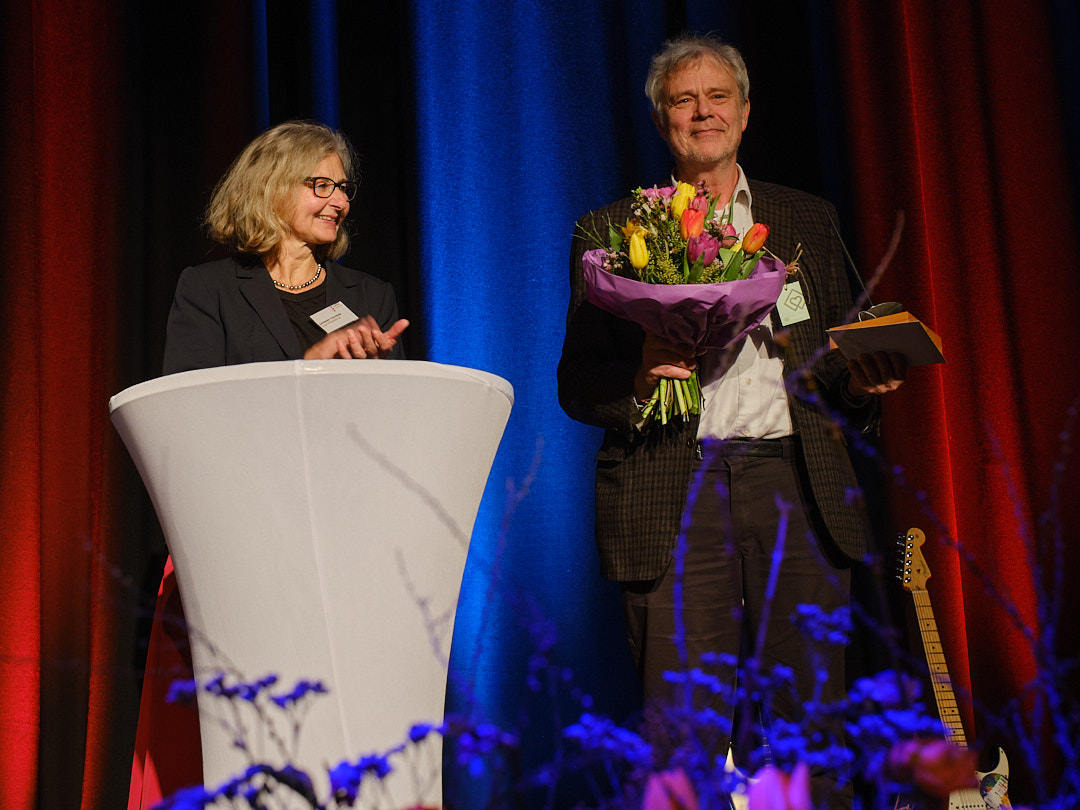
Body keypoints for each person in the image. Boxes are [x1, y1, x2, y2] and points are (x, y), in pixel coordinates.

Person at [557, 34, 905, 805]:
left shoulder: (804, 219)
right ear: (661, 120)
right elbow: (578, 384)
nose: (703, 111)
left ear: (745, 114)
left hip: (796, 487)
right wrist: (643, 376)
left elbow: (840, 354)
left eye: (718, 97)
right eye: (684, 99)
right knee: (682, 735)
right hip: (675, 488)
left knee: (808, 728)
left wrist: (864, 380)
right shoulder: (612, 232)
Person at [163, 120, 407, 375]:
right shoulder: (209, 290)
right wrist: (308, 367)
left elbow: (396, 404)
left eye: (343, 188)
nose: (342, 201)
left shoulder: (372, 296)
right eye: (322, 186)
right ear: (272, 189)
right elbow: (191, 401)